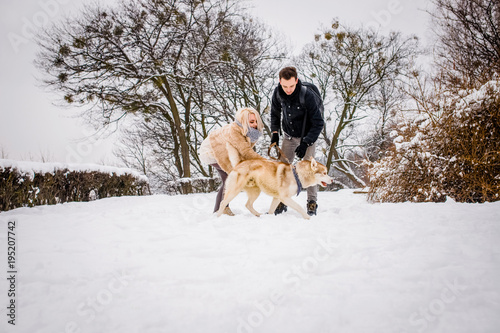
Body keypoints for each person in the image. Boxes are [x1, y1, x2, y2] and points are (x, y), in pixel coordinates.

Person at [270, 66, 325, 216]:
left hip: (307, 137)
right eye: (285, 86)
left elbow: (318, 123)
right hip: (288, 136)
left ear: (297, 81)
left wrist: (306, 142)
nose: (288, 89)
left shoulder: (307, 95)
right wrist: (275, 132)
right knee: (282, 169)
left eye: (292, 86)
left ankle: (312, 202)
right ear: (280, 82)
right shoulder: (278, 93)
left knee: (310, 170)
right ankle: (282, 199)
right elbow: (274, 113)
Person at [199, 107, 265, 215]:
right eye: (252, 122)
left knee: (227, 180)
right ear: (244, 122)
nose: (255, 124)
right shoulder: (234, 130)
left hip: (224, 151)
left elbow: (243, 151)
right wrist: (266, 163)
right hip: (211, 152)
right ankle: (221, 209)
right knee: (230, 178)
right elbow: (246, 151)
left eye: (256, 121)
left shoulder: (251, 132)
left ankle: (219, 209)